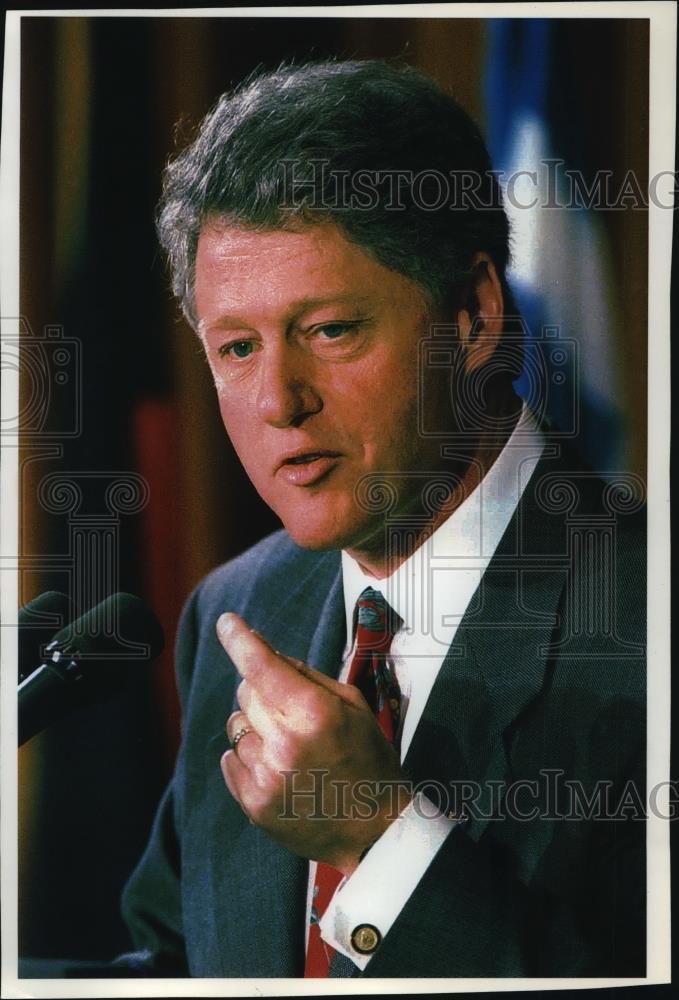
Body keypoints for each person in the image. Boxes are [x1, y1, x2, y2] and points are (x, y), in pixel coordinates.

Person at [117, 59, 646, 978]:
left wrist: (381, 838)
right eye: (236, 348)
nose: (278, 400)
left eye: (329, 330)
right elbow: (175, 965)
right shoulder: (237, 611)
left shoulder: (648, 612)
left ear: (474, 313)